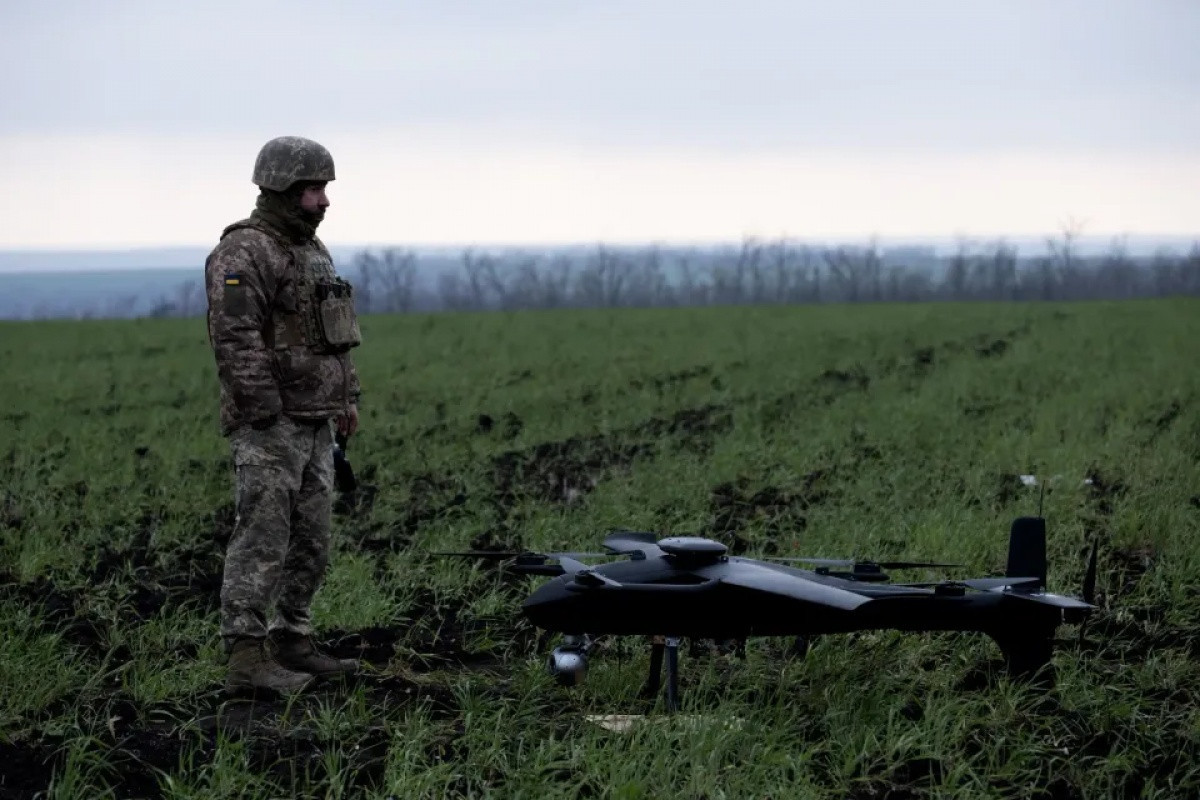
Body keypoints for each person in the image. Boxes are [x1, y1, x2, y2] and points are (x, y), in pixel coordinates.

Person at [204, 135, 364, 693]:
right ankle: (246, 659)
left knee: (311, 538)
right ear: (281, 188)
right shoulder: (244, 252)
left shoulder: (312, 252)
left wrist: (347, 400)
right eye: (314, 190)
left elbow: (335, 336)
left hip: (317, 420)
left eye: (324, 189)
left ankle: (293, 639)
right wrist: (265, 414)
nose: (324, 201)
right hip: (272, 426)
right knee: (263, 537)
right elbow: (235, 339)